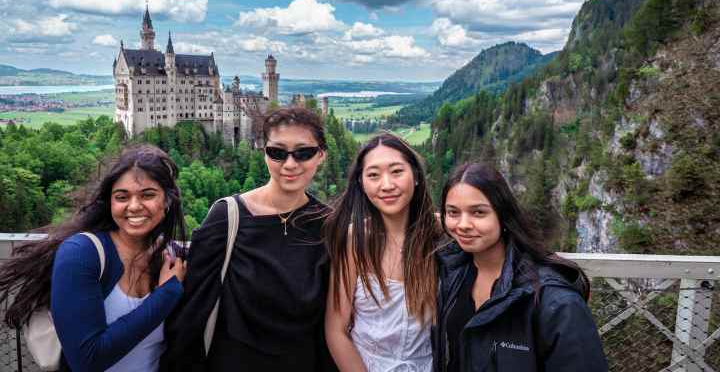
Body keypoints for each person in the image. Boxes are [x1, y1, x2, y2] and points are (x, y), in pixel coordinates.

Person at [163, 106, 336, 371]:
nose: (290, 164)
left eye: (304, 153)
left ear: (321, 155)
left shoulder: (329, 226)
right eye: (277, 153)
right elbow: (194, 311)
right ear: (263, 151)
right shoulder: (227, 217)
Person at [0, 144, 188, 371]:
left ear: (167, 201)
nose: (134, 206)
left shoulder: (170, 257)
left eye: (148, 195)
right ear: (110, 203)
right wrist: (166, 295)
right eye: (122, 197)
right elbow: (87, 360)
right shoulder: (82, 254)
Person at [432, 162, 608, 372]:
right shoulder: (451, 275)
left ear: (503, 214)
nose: (463, 224)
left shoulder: (554, 301)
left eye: (478, 213)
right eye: (453, 213)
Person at [325, 133, 441, 372]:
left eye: (397, 171)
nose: (387, 185)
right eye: (374, 175)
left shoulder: (442, 235)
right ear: (361, 183)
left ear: (416, 176)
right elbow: (336, 330)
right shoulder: (355, 240)